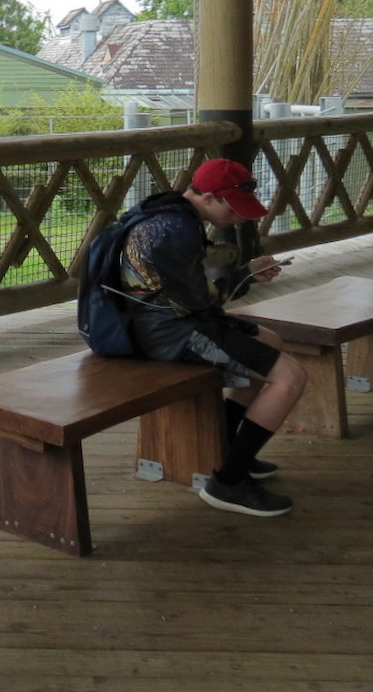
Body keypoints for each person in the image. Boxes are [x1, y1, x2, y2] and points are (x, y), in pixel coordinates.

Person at [117, 158, 307, 518]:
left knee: (270, 341)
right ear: (210, 197)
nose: (240, 219)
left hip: (164, 324)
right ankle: (229, 482)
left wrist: (247, 272)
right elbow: (204, 303)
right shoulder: (176, 230)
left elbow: (195, 299)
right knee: (291, 377)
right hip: (169, 335)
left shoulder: (170, 214)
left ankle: (229, 450)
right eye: (234, 210)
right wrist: (245, 276)